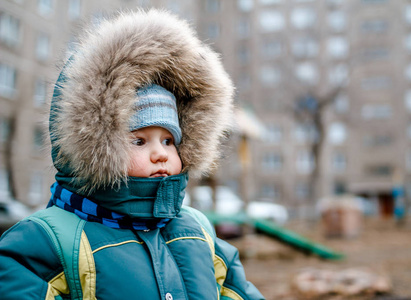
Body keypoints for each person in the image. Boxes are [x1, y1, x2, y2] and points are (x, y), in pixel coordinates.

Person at [0, 9, 265, 300]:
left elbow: (235, 292)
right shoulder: (50, 241)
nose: (160, 154)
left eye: (168, 141)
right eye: (139, 141)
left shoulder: (198, 230)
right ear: (95, 147)